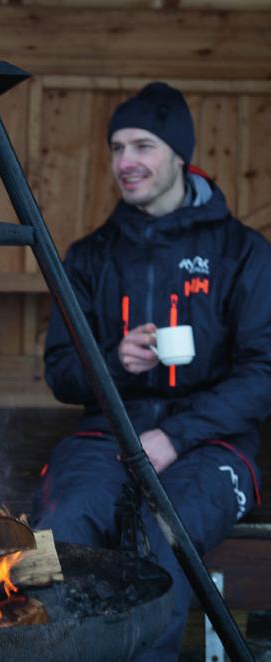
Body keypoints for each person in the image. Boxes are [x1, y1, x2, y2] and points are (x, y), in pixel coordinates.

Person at [32, 82, 271, 660]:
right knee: (57, 530)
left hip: (211, 443)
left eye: (142, 145)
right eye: (116, 148)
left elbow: (264, 373)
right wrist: (113, 362)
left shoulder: (243, 252)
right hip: (109, 435)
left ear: (178, 154)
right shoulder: (91, 255)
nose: (125, 162)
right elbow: (62, 371)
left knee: (165, 531)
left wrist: (175, 436)